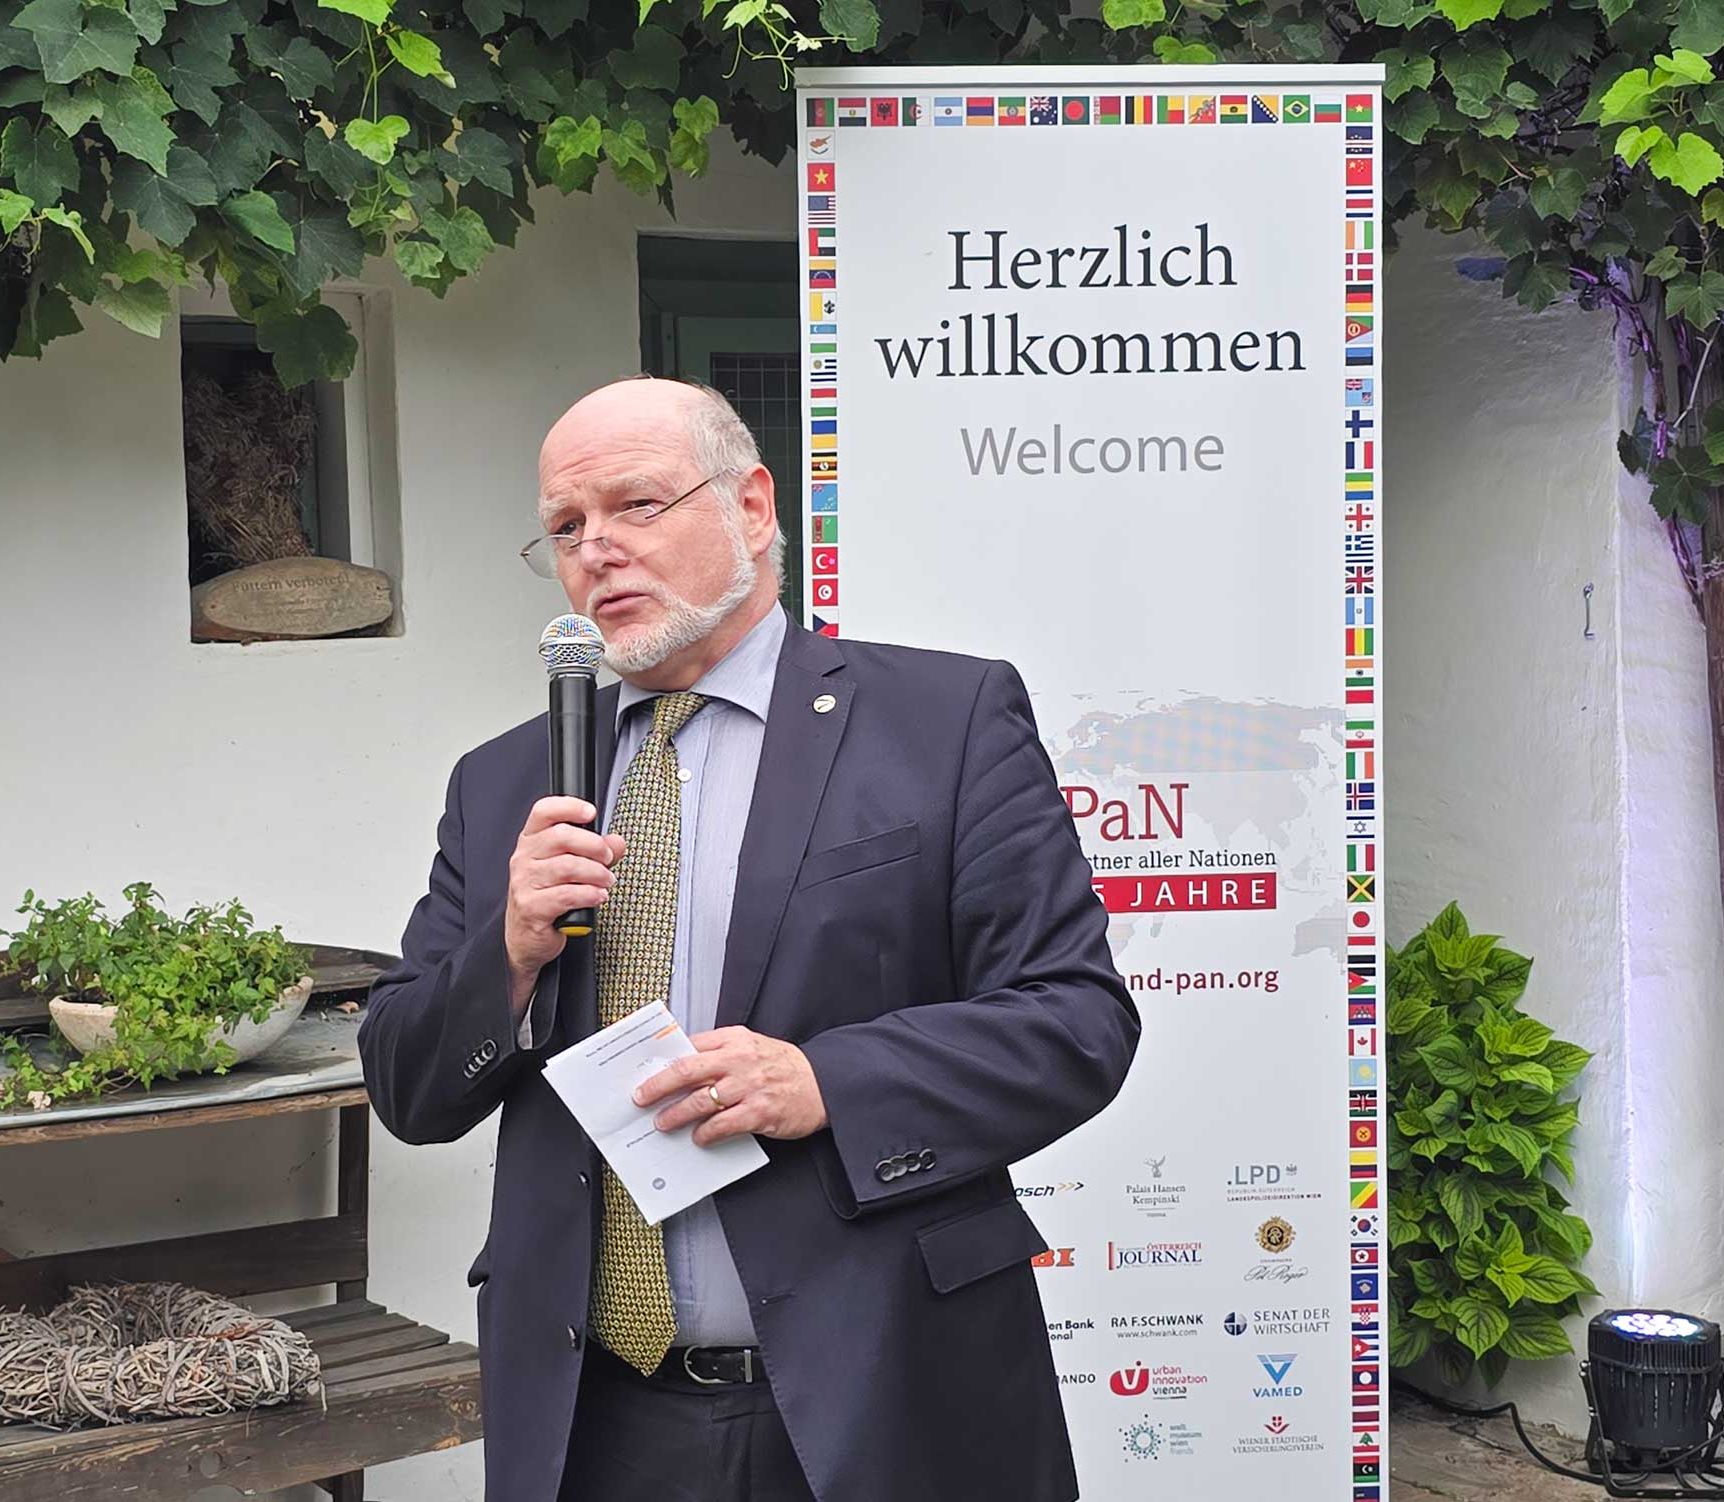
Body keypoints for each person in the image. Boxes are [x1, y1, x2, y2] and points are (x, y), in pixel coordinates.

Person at [358, 376, 1140, 1502]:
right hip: (595, 1415)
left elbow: (1076, 1018)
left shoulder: (944, 722)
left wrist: (826, 1077)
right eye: (566, 528)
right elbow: (405, 1083)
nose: (598, 552)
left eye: (635, 505)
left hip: (881, 1390)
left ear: (753, 506)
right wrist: (512, 949)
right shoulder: (503, 781)